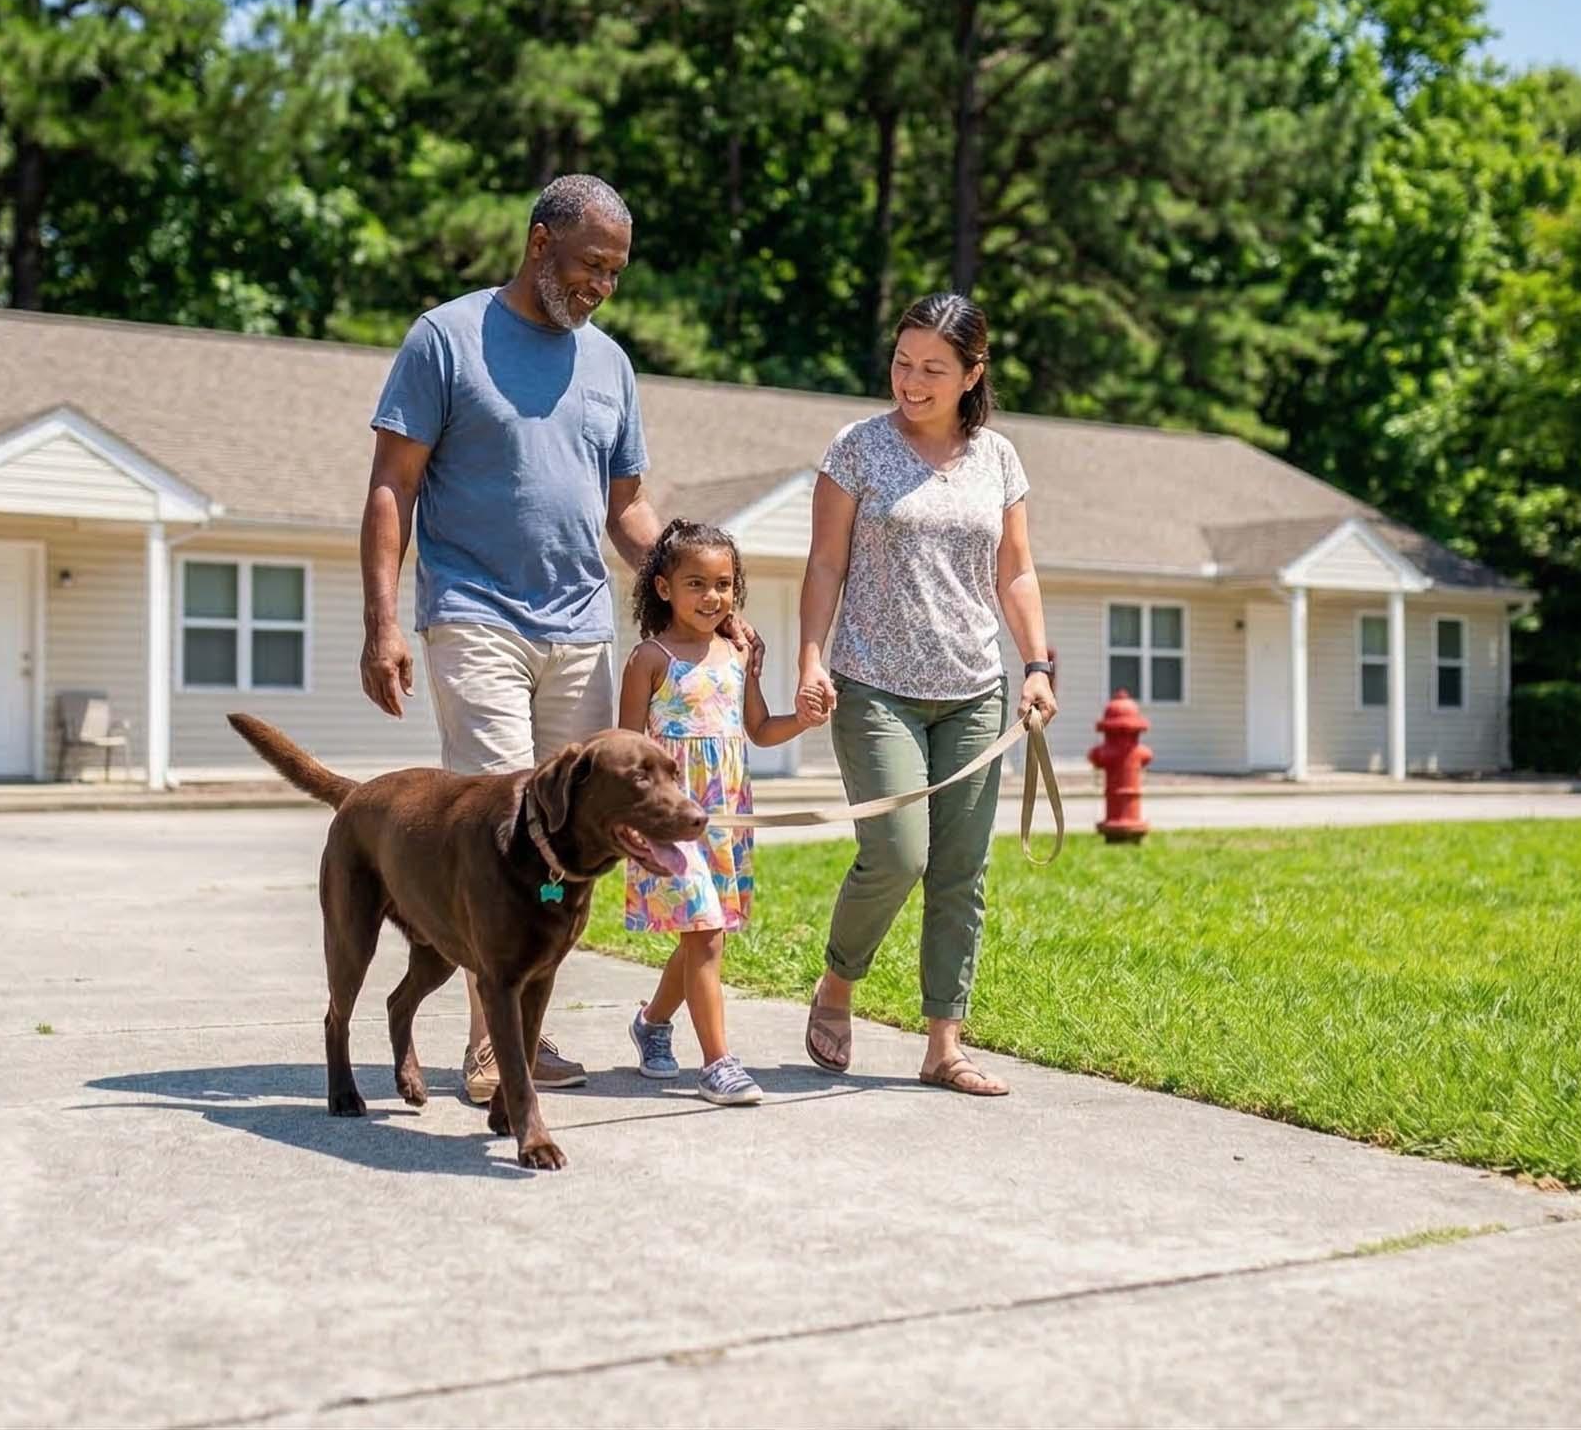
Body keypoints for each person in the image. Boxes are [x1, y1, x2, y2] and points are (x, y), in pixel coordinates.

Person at [359, 174, 752, 1105]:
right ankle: (491, 1051)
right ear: (539, 243)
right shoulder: (444, 339)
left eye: (615, 273)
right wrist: (381, 619)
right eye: (588, 266)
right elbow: (391, 486)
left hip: (579, 625)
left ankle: (523, 1029)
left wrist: (692, 594)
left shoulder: (609, 364)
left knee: (566, 846)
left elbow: (627, 510)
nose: (601, 286)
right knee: (500, 831)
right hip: (475, 614)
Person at [794, 292, 1058, 1098]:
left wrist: (1038, 666)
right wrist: (811, 659)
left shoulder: (999, 459)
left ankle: (944, 1042)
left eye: (933, 369)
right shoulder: (859, 449)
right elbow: (826, 563)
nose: (910, 381)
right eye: (902, 363)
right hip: (875, 685)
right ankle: (839, 983)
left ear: (973, 373)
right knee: (899, 852)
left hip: (974, 691)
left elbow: (1014, 571)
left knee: (959, 871)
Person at [617, 520, 827, 1106]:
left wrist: (804, 721)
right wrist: (632, 820)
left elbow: (758, 730)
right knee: (705, 934)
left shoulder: (737, 655)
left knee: (702, 937)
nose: (713, 597)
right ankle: (718, 1065)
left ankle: (652, 1024)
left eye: (724, 584)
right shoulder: (649, 659)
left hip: (726, 816)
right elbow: (627, 748)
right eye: (697, 584)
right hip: (670, 822)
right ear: (663, 589)